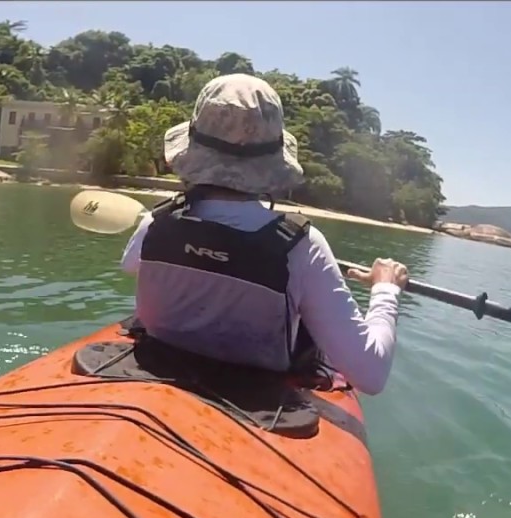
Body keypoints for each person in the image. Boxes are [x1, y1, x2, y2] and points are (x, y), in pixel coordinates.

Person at [119, 73, 408, 396]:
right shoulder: (302, 247)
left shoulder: (155, 222)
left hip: (158, 371)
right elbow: (370, 374)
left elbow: (130, 265)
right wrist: (386, 289)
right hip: (252, 400)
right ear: (272, 161)